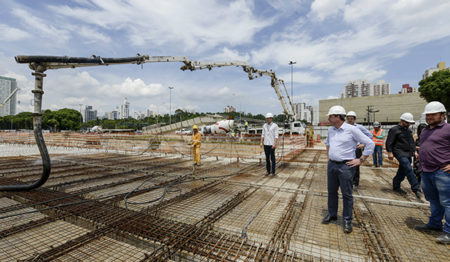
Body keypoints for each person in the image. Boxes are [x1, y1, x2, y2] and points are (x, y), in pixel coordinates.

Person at [323, 106, 374, 233]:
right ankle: (332, 214)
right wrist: (329, 157)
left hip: (346, 166)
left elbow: (370, 143)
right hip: (332, 165)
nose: (329, 119)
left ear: (338, 116)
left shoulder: (352, 130)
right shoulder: (330, 130)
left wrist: (361, 159)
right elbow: (328, 143)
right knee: (332, 192)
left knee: (347, 194)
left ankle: (347, 220)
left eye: (330, 116)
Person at [414, 101, 450, 244]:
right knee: (433, 201)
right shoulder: (425, 130)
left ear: (442, 115)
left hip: (442, 172)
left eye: (433, 114)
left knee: (447, 202)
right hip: (426, 171)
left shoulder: (448, 129)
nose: (429, 117)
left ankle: (448, 232)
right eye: (428, 115)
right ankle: (435, 224)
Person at [385, 112, 422, 199]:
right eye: (407, 122)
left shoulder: (409, 130)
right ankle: (416, 189)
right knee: (408, 168)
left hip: (408, 153)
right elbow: (389, 142)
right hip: (399, 152)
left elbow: (411, 142)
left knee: (403, 170)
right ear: (401, 120)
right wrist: (389, 152)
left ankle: (396, 185)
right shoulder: (394, 130)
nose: (408, 124)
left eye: (409, 123)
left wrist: (414, 151)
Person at [346, 111, 373, 190]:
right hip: (347, 149)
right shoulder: (344, 127)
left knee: (355, 166)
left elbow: (370, 135)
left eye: (351, 118)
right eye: (348, 118)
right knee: (346, 165)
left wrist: (363, 144)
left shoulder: (359, 127)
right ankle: (347, 182)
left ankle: (355, 183)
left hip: (356, 149)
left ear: (354, 119)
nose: (349, 120)